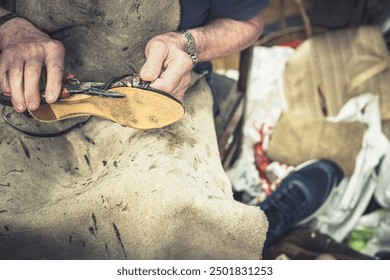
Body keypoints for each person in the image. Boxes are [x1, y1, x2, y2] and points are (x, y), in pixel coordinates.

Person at [0, 0, 269, 259]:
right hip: (33, 90)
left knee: (180, 216)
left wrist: (188, 43)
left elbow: (248, 21)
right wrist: (10, 29)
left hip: (164, 93)